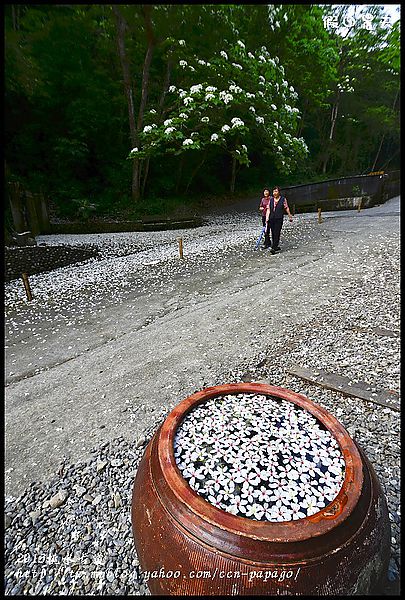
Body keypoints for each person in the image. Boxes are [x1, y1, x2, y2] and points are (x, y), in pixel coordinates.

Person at [267, 186, 293, 254]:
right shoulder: (271, 200)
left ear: (279, 192)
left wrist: (289, 215)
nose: (274, 193)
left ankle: (274, 247)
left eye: (276, 191)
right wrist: (267, 218)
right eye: (273, 192)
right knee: (273, 232)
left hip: (279, 218)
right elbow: (268, 209)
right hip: (271, 218)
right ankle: (275, 246)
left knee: (277, 232)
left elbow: (286, 207)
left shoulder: (283, 199)